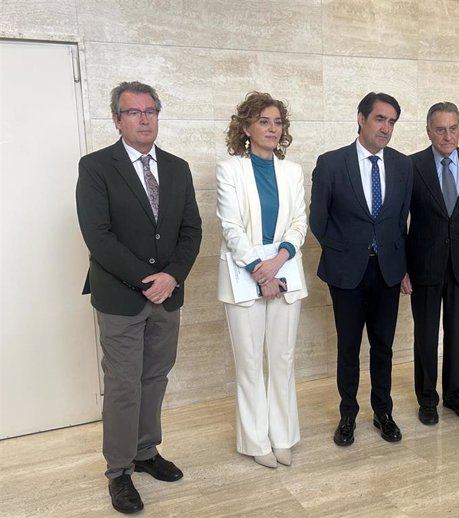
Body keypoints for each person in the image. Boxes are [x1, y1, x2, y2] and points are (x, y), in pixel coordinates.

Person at [76, 81, 202, 514]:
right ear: (117, 120)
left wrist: (172, 277)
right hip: (121, 298)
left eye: (150, 111)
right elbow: (99, 237)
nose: (144, 118)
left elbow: (192, 231)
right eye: (134, 112)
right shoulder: (95, 167)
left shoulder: (177, 167)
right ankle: (119, 472)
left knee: (155, 378)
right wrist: (150, 278)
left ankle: (146, 451)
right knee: (124, 385)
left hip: (167, 297)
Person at [310, 92, 413, 447]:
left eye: (392, 122)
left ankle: (383, 412)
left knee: (383, 347)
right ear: (361, 118)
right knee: (349, 347)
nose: (386, 128)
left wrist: (401, 267)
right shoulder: (331, 163)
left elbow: (401, 222)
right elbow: (318, 221)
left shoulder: (403, 165)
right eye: (380, 119)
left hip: (387, 272)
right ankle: (348, 415)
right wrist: (344, 252)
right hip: (346, 273)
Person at [216, 92, 308, 469]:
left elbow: (299, 223)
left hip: (285, 266)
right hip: (243, 271)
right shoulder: (230, 169)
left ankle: (283, 435)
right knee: (251, 362)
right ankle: (256, 440)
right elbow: (231, 226)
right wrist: (259, 268)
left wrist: (278, 261)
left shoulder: (293, 172)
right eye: (264, 121)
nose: (273, 128)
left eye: (278, 122)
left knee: (282, 359)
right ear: (246, 127)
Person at [400, 102, 459, 426]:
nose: (447, 135)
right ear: (428, 131)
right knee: (426, 337)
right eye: (440, 129)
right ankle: (427, 400)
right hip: (423, 266)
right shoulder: (412, 165)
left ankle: (456, 397)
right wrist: (401, 269)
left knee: (457, 334)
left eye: (453, 128)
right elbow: (400, 221)